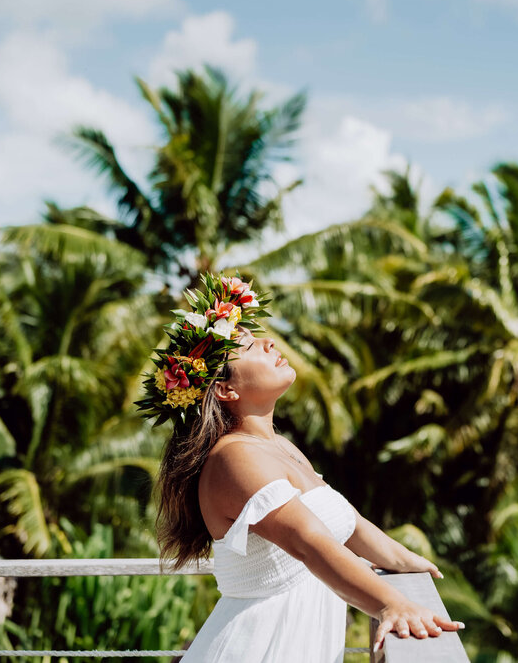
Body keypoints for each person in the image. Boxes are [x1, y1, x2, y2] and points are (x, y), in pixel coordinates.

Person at [142, 275, 463, 663]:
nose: (269, 341)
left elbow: (350, 523)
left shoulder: (279, 447)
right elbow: (312, 545)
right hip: (259, 650)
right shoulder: (233, 458)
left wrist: (407, 565)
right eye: (247, 345)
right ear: (226, 391)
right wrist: (390, 605)